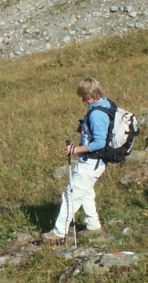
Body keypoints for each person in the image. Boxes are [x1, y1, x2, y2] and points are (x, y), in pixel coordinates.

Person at [42, 77, 113, 244]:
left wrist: (75, 149)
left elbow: (99, 143)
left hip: (92, 162)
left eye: (83, 96)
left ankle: (59, 232)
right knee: (86, 193)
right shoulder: (107, 104)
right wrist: (85, 128)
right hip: (97, 162)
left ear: (88, 95)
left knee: (70, 195)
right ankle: (93, 226)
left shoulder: (96, 114)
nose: (82, 100)